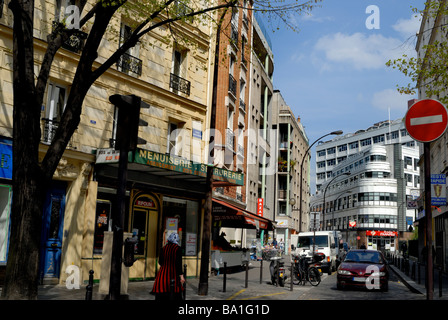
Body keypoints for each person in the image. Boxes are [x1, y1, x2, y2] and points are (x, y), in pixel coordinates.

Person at [151, 232, 185, 300]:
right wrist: (181, 276)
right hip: (173, 273)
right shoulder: (178, 249)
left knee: (161, 292)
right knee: (175, 292)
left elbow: (160, 262)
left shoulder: (163, 248)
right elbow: (178, 263)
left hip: (162, 274)